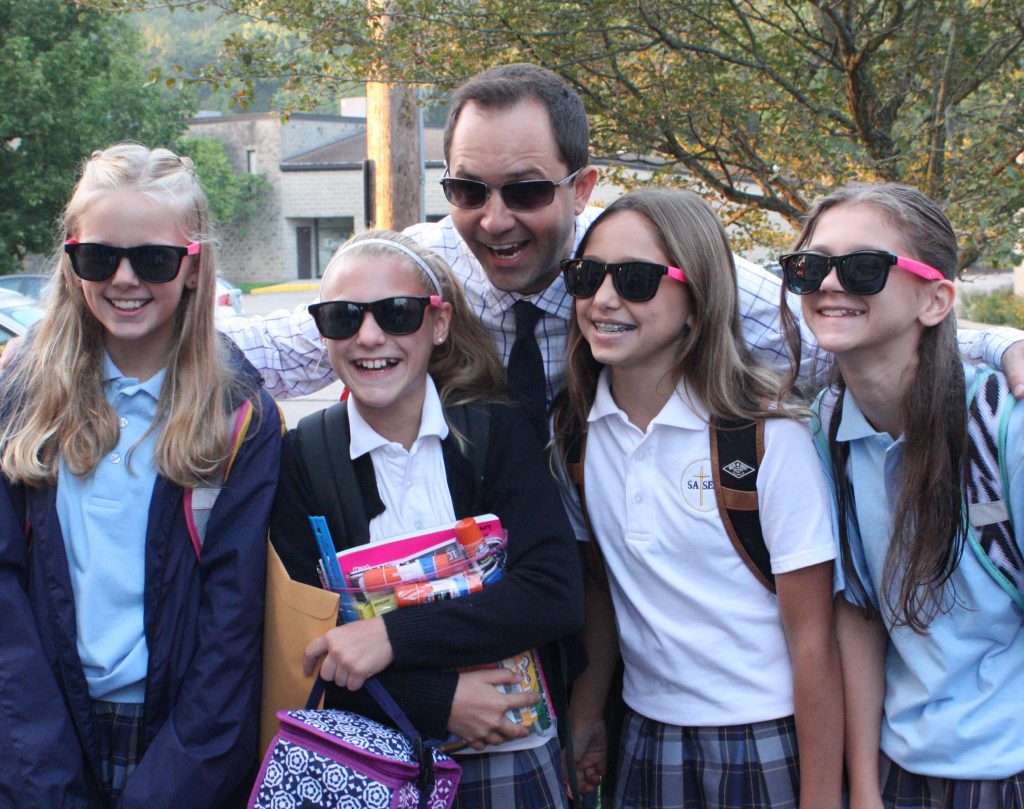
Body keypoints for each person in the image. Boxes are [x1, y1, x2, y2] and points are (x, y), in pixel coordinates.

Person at [219, 63, 1024, 405]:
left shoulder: (646, 266)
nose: (493, 219)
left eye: (527, 191)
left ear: (584, 187)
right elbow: (267, 352)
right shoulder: (425, 276)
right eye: (468, 189)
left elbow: (824, 325)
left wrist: (1000, 349)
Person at [0, 144, 281, 808]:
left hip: (180, 742)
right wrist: (44, 778)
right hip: (35, 728)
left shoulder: (239, 414)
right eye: (98, 256)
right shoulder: (19, 395)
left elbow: (233, 625)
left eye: (153, 259)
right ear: (71, 264)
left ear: (192, 267)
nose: (124, 278)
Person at [269, 230, 584, 808]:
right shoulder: (303, 460)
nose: (369, 337)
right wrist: (439, 698)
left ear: (437, 325)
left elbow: (553, 592)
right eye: (342, 317)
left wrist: (390, 635)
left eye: (397, 314)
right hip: (371, 769)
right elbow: (302, 647)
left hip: (511, 764)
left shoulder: (497, 433)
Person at [552, 189, 843, 809]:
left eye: (636, 280)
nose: (604, 299)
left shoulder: (765, 435)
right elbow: (605, 588)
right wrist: (586, 713)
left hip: (766, 738)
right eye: (587, 275)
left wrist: (820, 796)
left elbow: (816, 640)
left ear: (698, 298)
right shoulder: (575, 434)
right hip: (644, 736)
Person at [779, 183, 1024, 809]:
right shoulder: (825, 427)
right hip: (899, 770)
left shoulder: (1004, 427)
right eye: (809, 267)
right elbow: (859, 613)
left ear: (936, 299)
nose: (830, 285)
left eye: (863, 267)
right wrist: (863, 786)